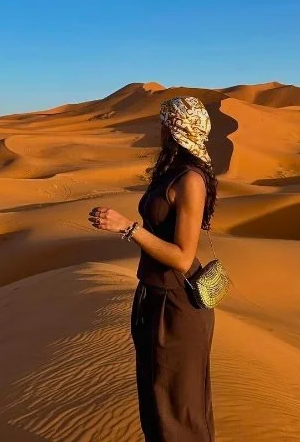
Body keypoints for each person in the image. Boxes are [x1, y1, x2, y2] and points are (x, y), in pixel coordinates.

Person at [89, 96, 217, 442]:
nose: (159, 129)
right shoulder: (172, 173)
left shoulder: (191, 180)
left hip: (175, 305)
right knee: (156, 400)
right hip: (152, 296)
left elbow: (181, 256)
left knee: (177, 409)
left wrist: (128, 228)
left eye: (165, 122)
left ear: (175, 129)